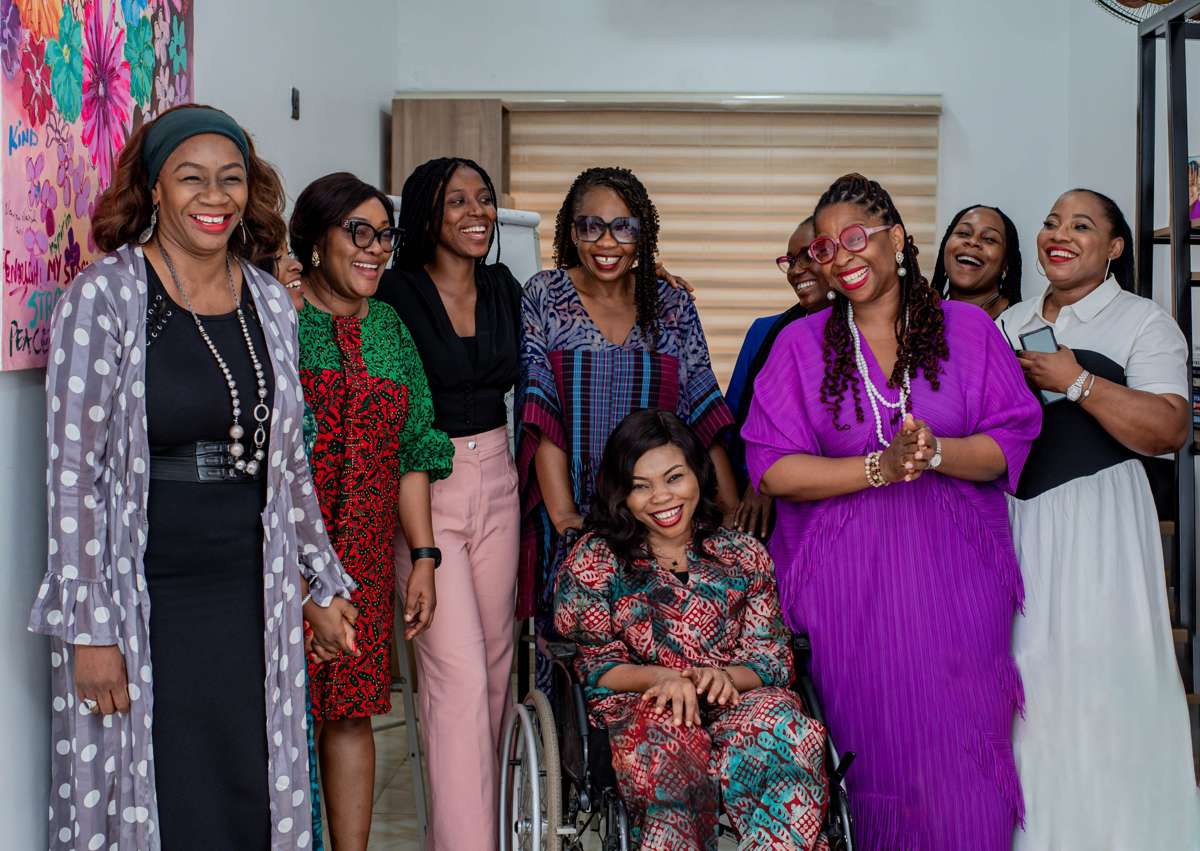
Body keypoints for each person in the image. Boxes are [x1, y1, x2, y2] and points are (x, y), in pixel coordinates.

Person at [27, 104, 358, 850]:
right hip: (147, 587)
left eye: (230, 179)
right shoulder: (105, 297)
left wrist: (317, 582)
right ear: (152, 188)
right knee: (164, 788)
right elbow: (73, 477)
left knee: (248, 781)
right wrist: (90, 628)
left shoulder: (269, 300)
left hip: (251, 585)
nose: (215, 197)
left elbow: (287, 463)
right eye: (191, 178)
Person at [742, 173, 1042, 850]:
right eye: (824, 248)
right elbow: (773, 466)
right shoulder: (800, 345)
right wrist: (878, 467)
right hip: (847, 599)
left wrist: (936, 453)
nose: (840, 257)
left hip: (957, 595)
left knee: (963, 769)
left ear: (898, 239)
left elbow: (1009, 441)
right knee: (870, 767)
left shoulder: (970, 331)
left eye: (856, 237)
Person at [998, 188, 1200, 848]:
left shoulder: (1142, 322)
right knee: (1026, 688)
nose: (1059, 234)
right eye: (1051, 222)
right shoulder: (1008, 322)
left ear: (1114, 247)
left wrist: (1076, 380)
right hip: (1015, 521)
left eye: (1081, 225)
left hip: (1100, 523)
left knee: (1103, 682)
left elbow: (1169, 427)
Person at [554, 409, 828, 850]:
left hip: (736, 700)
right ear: (621, 494)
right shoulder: (596, 560)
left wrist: (724, 677)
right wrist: (661, 678)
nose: (662, 497)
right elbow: (593, 665)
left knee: (786, 734)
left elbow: (772, 657)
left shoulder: (742, 554)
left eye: (674, 478)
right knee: (672, 756)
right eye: (641, 486)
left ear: (698, 473)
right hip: (644, 706)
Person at [517, 166, 738, 690]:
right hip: (577, 509)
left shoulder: (671, 303)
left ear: (643, 233)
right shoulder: (545, 295)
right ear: (571, 231)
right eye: (590, 226)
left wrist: (729, 508)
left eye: (624, 227)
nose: (607, 241)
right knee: (580, 661)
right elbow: (541, 410)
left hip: (662, 511)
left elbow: (701, 403)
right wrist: (565, 516)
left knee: (670, 642)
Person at [288, 172, 452, 851]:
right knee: (280, 717)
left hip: (360, 556)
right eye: (359, 232)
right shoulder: (276, 315)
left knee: (351, 714)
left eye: (384, 235)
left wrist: (424, 556)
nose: (376, 249)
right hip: (280, 554)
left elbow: (413, 449)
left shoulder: (389, 328)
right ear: (314, 239)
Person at [375, 156, 521, 851]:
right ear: (425, 213)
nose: (476, 211)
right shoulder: (393, 292)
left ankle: (474, 833)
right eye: (457, 200)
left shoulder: (504, 286)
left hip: (500, 476)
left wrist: (655, 281)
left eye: (484, 198)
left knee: (494, 672)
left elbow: (578, 300)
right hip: (423, 485)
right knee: (455, 679)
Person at [726, 215, 831, 538]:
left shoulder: (870, 338)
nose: (796, 270)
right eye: (791, 260)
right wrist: (758, 479)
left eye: (809, 255)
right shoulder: (764, 333)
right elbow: (732, 429)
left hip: (836, 505)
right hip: (762, 522)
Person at [929, 204, 1023, 319]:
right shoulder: (922, 318)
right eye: (963, 233)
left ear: (1006, 263)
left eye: (989, 239)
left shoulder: (1020, 325)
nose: (973, 241)